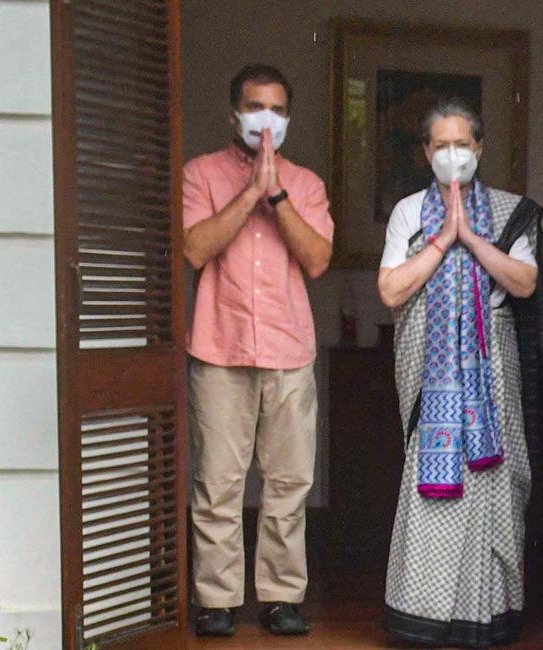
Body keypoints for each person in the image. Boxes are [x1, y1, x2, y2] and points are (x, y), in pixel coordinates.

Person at [377, 99, 539, 648]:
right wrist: (443, 238)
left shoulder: (509, 211)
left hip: (492, 373)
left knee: (493, 479)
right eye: (441, 146)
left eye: (462, 145)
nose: (452, 155)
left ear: (480, 148)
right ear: (426, 153)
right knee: (430, 487)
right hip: (433, 368)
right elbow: (391, 289)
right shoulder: (408, 213)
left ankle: (484, 614)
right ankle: (421, 613)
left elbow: (523, 282)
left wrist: (471, 238)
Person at [181, 63, 333, 638]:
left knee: (288, 483)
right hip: (218, 349)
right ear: (233, 114)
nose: (265, 119)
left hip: (289, 351)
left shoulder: (307, 184)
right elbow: (195, 249)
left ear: (289, 117)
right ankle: (216, 601)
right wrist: (250, 194)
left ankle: (280, 598)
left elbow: (317, 259)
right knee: (217, 483)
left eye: (277, 109)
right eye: (254, 107)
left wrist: (277, 195)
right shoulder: (200, 174)